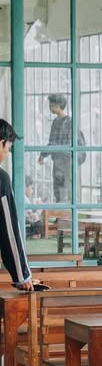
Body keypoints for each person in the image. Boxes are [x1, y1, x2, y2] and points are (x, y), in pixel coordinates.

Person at [0, 119, 33, 290]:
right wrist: (22, 276)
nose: (6, 154)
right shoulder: (1, 179)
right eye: (8, 148)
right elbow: (9, 232)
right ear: (1, 143)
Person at [45, 94, 85, 204]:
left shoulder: (70, 123)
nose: (50, 107)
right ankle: (61, 216)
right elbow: (52, 142)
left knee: (66, 189)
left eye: (51, 105)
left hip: (67, 162)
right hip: (60, 162)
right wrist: (44, 154)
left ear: (57, 105)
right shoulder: (57, 122)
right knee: (59, 189)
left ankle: (66, 217)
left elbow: (77, 144)